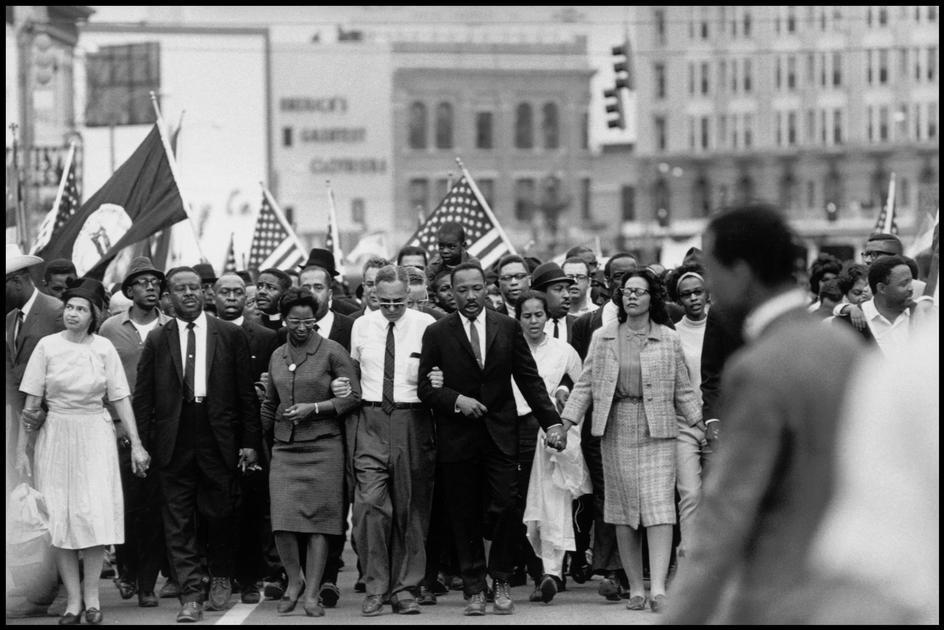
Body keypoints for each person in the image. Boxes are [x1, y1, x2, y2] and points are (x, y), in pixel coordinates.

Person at [664, 204, 862, 624]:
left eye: (711, 270)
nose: (708, 285)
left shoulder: (759, 367)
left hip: (779, 597)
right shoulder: (844, 348)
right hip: (850, 588)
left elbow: (725, 513)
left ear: (740, 273)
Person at [417, 262, 567, 616]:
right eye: (462, 290)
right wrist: (456, 400)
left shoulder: (507, 327)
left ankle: (500, 578)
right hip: (458, 439)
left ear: (487, 288)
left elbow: (529, 380)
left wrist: (553, 424)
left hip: (501, 434)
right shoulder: (437, 333)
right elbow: (425, 387)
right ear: (452, 293)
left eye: (476, 288)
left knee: (505, 506)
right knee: (464, 514)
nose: (470, 296)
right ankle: (474, 588)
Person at [560, 268, 702, 614]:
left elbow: (683, 389)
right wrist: (564, 424)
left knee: (659, 508)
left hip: (659, 428)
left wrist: (700, 425)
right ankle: (636, 587)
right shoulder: (605, 337)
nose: (632, 296)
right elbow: (586, 385)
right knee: (623, 511)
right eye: (627, 291)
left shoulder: (668, 338)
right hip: (616, 425)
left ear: (653, 297)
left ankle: (660, 590)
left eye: (639, 291)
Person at [15, 277, 151, 625]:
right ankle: (73, 601)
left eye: (81, 309)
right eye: (69, 308)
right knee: (60, 518)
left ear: (94, 315)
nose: (72, 314)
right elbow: (31, 404)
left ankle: (92, 599)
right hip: (56, 434)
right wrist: (22, 450)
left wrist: (136, 444)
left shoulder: (103, 349)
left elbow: (120, 397)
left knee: (92, 516)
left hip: (94, 434)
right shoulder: (46, 346)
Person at [133, 266, 262, 623]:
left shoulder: (227, 335)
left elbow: (245, 394)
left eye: (194, 288)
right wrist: (142, 445)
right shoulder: (159, 339)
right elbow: (143, 398)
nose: (189, 294)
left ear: (204, 294)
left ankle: (220, 571)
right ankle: (191, 595)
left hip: (217, 436)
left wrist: (250, 441)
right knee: (177, 520)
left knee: (220, 512)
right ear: (168, 298)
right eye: (180, 289)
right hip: (173, 440)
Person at [261, 288, 361, 618]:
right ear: (284, 320)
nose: (302, 327)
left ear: (316, 319)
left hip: (324, 446)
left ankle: (313, 592)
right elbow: (270, 403)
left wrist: (315, 408)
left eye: (308, 321)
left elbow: (352, 397)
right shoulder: (277, 355)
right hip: (285, 448)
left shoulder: (332, 352)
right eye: (294, 321)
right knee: (283, 522)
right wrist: (252, 440)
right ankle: (294, 582)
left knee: (320, 523)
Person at [348, 265, 436, 616]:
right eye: (384, 302)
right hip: (370, 418)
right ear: (374, 297)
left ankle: (404, 588)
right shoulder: (361, 326)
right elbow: (353, 370)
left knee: (410, 508)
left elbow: (435, 375)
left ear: (410, 295)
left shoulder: (426, 326)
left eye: (399, 302)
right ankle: (375, 586)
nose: (392, 309)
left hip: (412, 418)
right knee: (370, 505)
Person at [99, 257, 174, 608]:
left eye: (155, 282)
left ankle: (147, 583)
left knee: (155, 508)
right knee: (126, 505)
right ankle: (127, 569)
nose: (150, 287)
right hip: (120, 431)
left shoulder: (172, 327)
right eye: (142, 282)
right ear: (129, 291)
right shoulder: (110, 329)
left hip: (164, 430)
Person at [569, 252, 638, 597]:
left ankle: (637, 569)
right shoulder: (586, 325)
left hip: (640, 421)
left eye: (631, 277)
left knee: (636, 492)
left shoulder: (654, 320)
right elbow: (582, 379)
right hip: (600, 424)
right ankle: (613, 571)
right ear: (606, 281)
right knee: (608, 494)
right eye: (617, 277)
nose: (624, 284)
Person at [510, 290, 586, 604]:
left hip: (550, 435)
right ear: (518, 319)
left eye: (538, 315)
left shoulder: (564, 351)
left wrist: (563, 401)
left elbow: (581, 391)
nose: (533, 321)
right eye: (526, 316)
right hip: (513, 432)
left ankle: (551, 572)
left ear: (547, 316)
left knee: (552, 499)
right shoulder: (508, 349)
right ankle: (529, 566)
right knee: (520, 503)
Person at [211, 272, 281, 605]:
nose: (231, 298)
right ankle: (219, 575)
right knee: (216, 509)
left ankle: (250, 578)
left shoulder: (266, 337)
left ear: (246, 297)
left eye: (238, 292)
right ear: (214, 295)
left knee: (253, 507)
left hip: (253, 431)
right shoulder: (204, 332)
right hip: (213, 433)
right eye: (224, 292)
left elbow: (273, 387)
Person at [6, 245, 66, 498]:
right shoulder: (9, 319)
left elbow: (68, 368)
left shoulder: (56, 311)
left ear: (17, 281)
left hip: (53, 423)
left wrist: (45, 410)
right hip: (20, 426)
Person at [664, 263, 710, 561]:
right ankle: (689, 561)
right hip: (684, 423)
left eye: (698, 292)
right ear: (678, 300)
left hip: (720, 420)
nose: (693, 298)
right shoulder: (673, 335)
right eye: (686, 294)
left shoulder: (724, 328)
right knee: (690, 494)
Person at [530, 262, 575, 344]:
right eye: (558, 289)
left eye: (568, 289)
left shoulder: (579, 325)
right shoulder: (526, 327)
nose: (567, 295)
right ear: (540, 294)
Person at [255, 268, 293, 332]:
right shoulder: (250, 326)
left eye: (271, 288)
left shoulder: (294, 326)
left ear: (285, 292)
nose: (261, 291)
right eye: (259, 287)